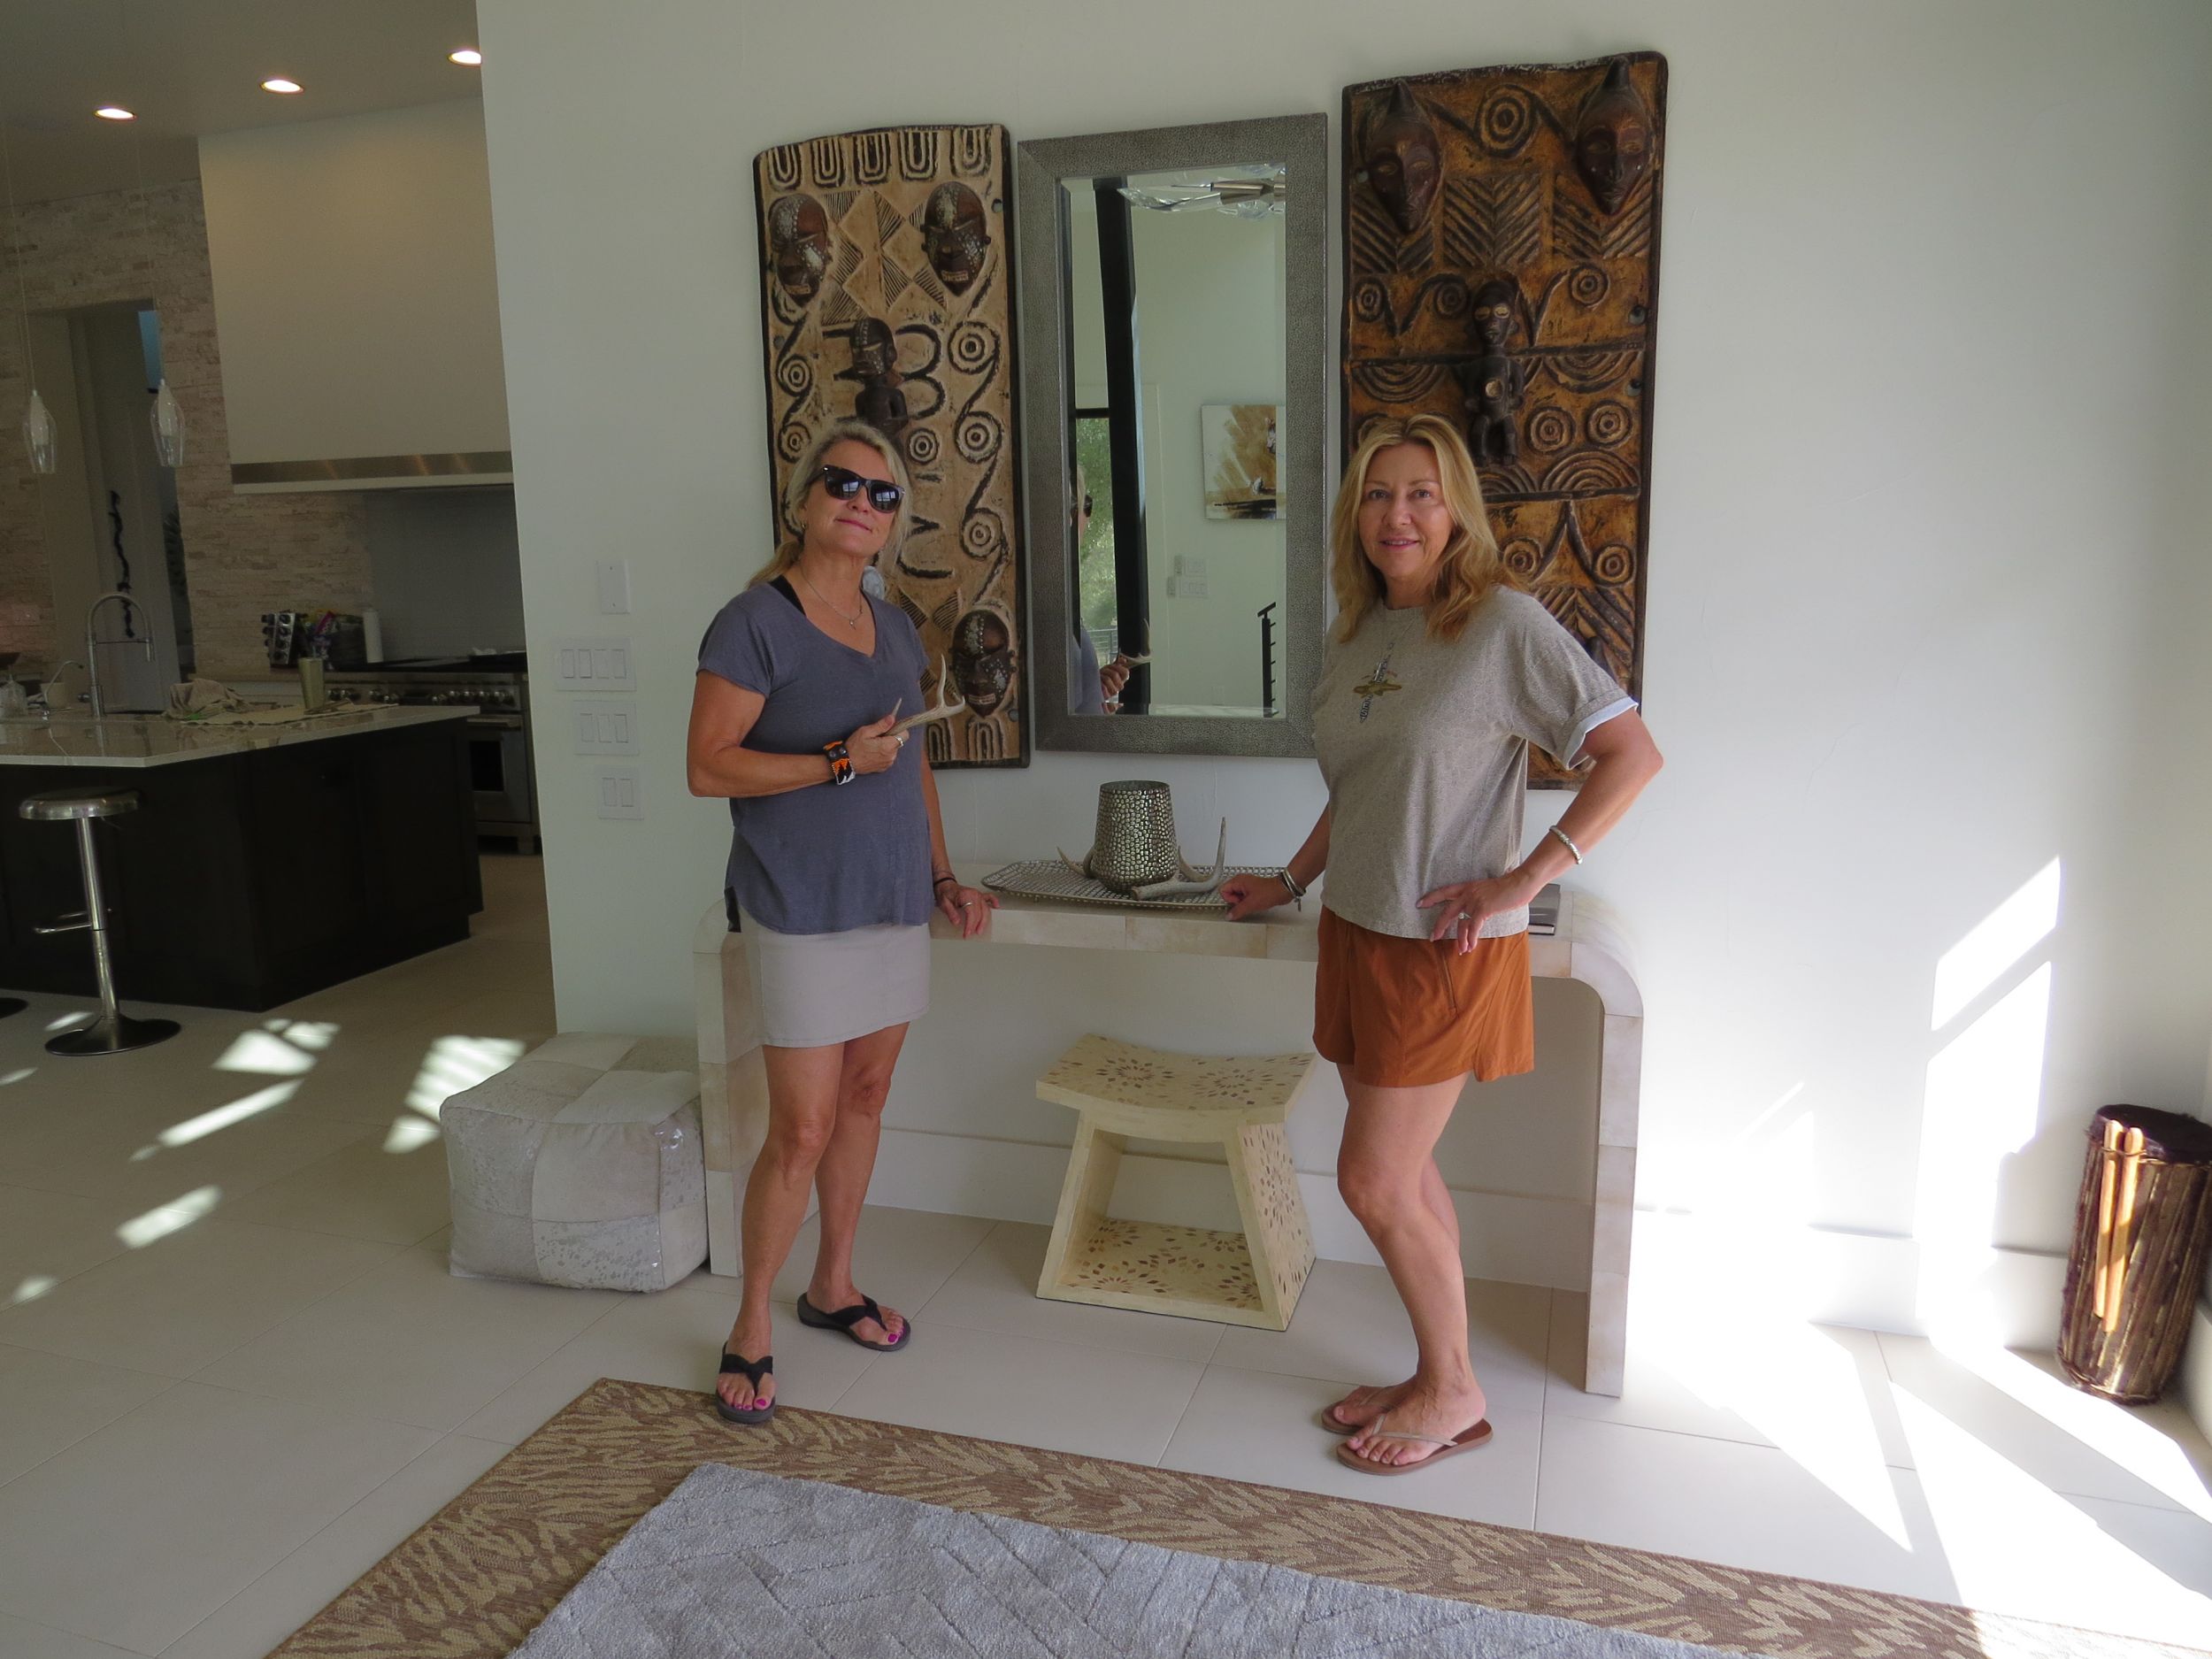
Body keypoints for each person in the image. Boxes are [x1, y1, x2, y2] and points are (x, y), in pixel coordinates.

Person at [1219, 413, 1663, 1473]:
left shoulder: (1500, 625)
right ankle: (1437, 1373)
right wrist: (1290, 880)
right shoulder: (1358, 637)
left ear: (1456, 507)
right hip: (1356, 931)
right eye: (1379, 494)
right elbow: (1363, 792)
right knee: (1405, 1175)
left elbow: (1631, 754)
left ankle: (1454, 1392)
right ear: (1355, 515)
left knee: (1372, 1182)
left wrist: (1524, 878)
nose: (1399, 514)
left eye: (1421, 492)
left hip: (1442, 949)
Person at [687, 419, 997, 1425]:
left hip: (892, 896)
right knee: (803, 1127)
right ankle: (750, 1324)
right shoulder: (753, 622)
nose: (862, 503)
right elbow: (707, 766)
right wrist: (833, 762)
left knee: (865, 1097)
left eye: (882, 493)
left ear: (895, 520)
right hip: (798, 903)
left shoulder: (894, 628)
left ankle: (833, 1285)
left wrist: (944, 874)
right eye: (843, 484)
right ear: (803, 499)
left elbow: (911, 766)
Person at [1068, 464, 1133, 714]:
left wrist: (1093, 687)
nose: (1089, 517)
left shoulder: (1062, 599)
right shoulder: (1047, 604)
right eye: (1087, 504)